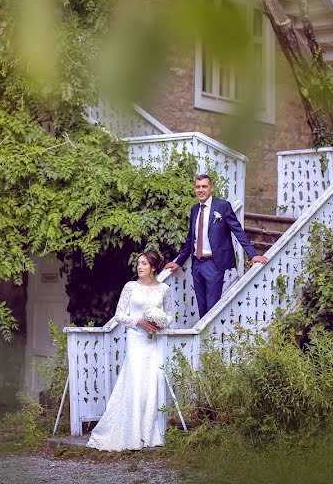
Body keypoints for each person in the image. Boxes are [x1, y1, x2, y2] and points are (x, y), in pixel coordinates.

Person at [86, 250, 173, 451]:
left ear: (153, 267)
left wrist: (160, 324)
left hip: (154, 342)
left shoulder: (164, 289)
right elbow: (119, 315)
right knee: (135, 381)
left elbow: (169, 315)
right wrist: (139, 322)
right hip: (136, 339)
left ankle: (150, 434)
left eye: (144, 263)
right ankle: (132, 434)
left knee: (152, 382)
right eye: (138, 263)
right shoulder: (130, 287)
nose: (139, 267)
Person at [164, 174, 268, 318]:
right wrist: (178, 262)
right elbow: (190, 239)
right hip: (197, 264)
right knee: (201, 307)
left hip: (214, 263)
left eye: (204, 187)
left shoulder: (222, 206)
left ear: (211, 188)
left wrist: (253, 254)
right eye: (198, 187)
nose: (200, 190)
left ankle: (211, 339)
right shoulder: (195, 209)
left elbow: (237, 230)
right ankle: (204, 340)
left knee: (212, 307)